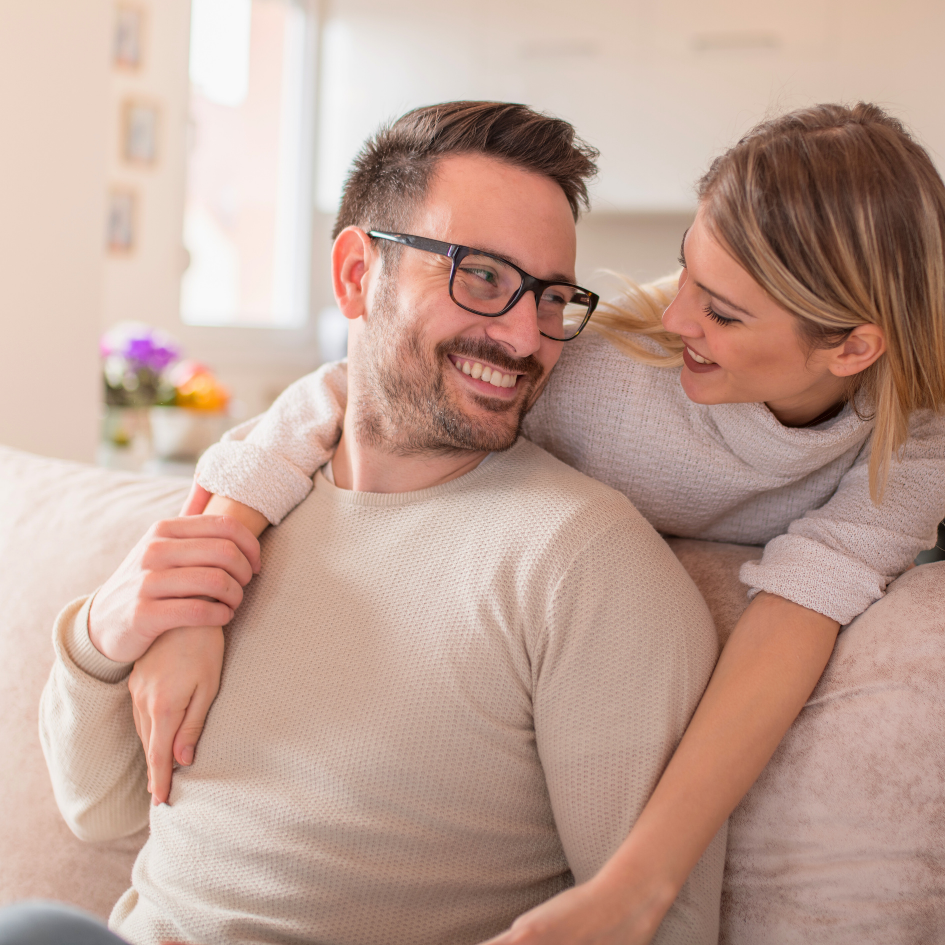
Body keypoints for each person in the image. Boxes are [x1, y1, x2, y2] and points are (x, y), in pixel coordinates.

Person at [127, 101, 945, 944]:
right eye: (684, 272)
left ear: (852, 348)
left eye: (722, 313)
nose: (674, 317)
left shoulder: (914, 439)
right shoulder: (611, 365)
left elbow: (796, 613)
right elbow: (359, 386)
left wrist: (636, 884)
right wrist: (201, 593)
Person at [36, 102, 725, 945]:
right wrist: (104, 638)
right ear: (358, 274)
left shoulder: (580, 562)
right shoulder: (251, 492)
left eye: (550, 298)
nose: (522, 335)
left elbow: (660, 923)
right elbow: (97, 811)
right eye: (479, 276)